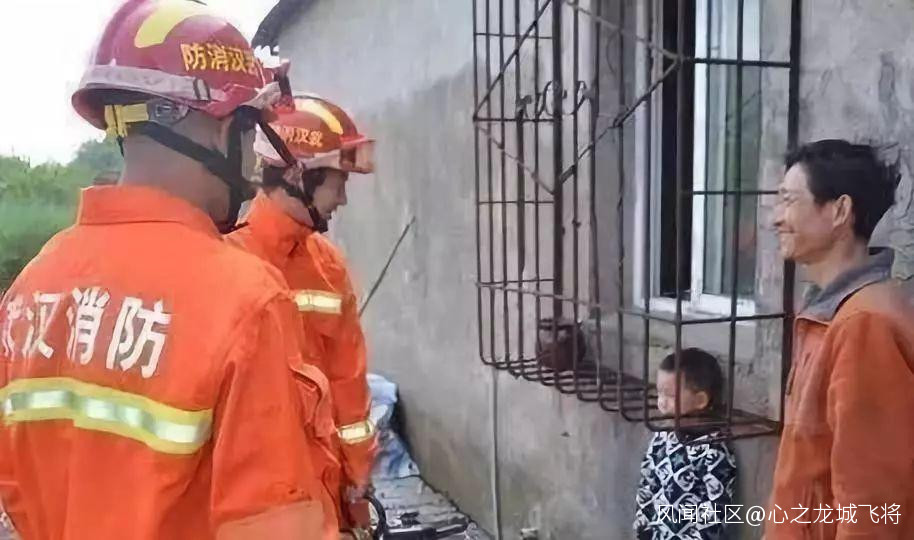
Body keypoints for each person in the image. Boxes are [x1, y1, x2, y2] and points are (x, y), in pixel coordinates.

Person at [0, 0, 331, 537]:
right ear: (215, 129)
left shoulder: (29, 289)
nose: (253, 165)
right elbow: (275, 524)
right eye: (249, 131)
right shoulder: (243, 300)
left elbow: (16, 487)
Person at [229, 94, 378, 538]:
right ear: (298, 175)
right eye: (338, 183)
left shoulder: (329, 266)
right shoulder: (225, 263)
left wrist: (358, 476)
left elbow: (349, 383)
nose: (343, 199)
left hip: (324, 496)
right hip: (256, 508)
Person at [768, 139, 914, 538]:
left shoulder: (865, 324)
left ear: (839, 211)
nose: (776, 219)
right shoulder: (832, 312)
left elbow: (872, 502)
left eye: (788, 200)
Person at [634, 348, 737, 540]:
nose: (661, 403)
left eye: (670, 395)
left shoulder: (713, 450)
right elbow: (647, 483)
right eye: (659, 393)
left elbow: (716, 512)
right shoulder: (663, 436)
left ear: (700, 400)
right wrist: (643, 528)